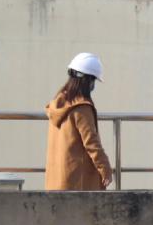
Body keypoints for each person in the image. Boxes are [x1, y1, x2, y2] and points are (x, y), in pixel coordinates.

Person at [45, 53, 113, 191]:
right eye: (93, 80)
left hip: (56, 182)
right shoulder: (81, 108)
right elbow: (92, 143)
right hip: (77, 184)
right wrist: (105, 168)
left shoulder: (58, 103)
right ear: (88, 80)